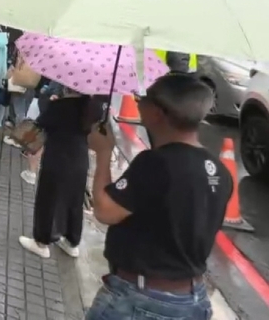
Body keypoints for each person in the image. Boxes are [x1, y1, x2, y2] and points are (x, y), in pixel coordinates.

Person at [84, 74, 230, 320]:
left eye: (142, 98)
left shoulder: (156, 163)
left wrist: (103, 151)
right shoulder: (219, 170)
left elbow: (104, 211)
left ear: (157, 112)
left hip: (143, 301)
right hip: (193, 300)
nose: (138, 103)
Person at [18, 87, 102, 259]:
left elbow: (41, 124)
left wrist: (52, 104)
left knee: (48, 200)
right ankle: (72, 242)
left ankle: (41, 242)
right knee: (75, 200)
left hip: (57, 158)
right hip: (80, 159)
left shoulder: (60, 106)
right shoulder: (95, 107)